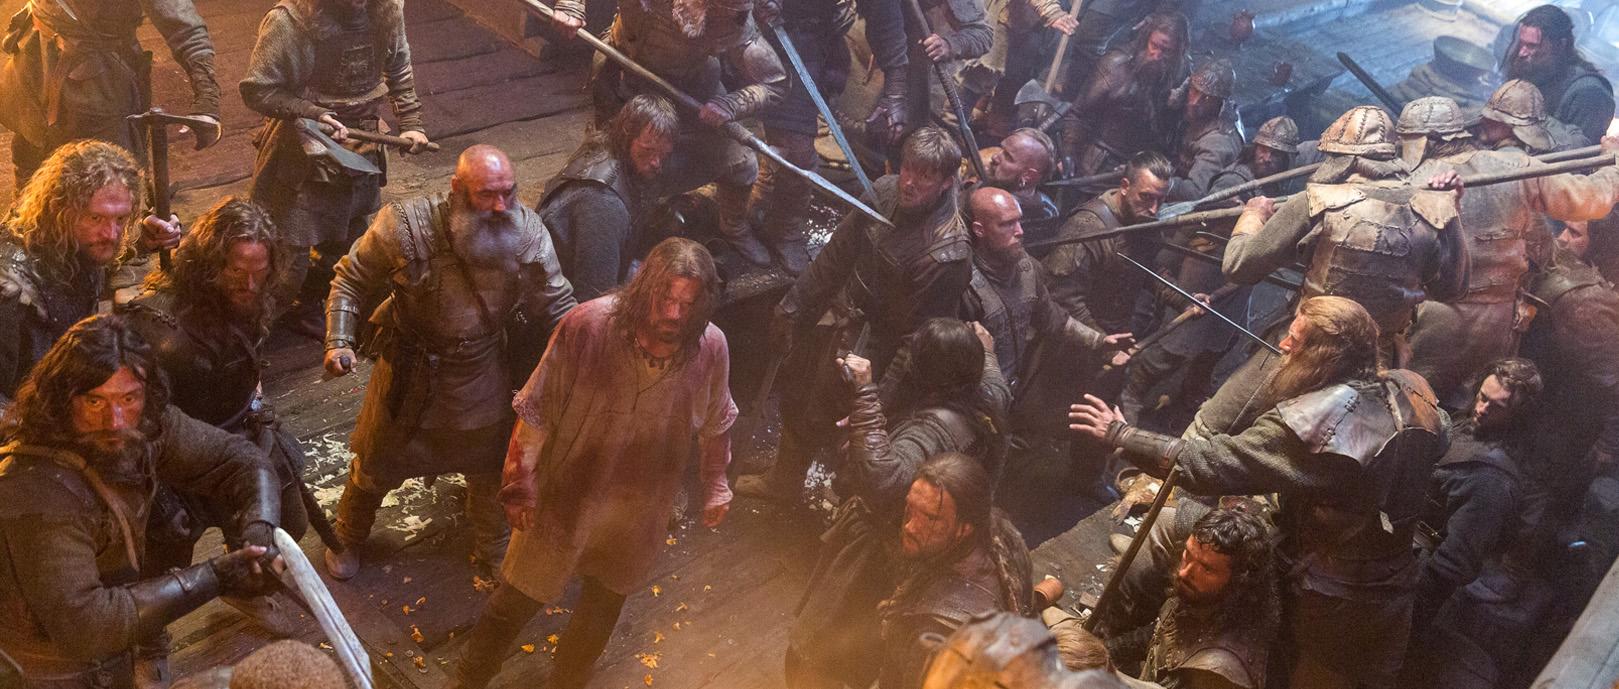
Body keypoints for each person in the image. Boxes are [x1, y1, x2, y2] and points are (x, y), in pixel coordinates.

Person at [1070, 296, 1448, 689]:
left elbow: (1211, 465)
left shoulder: (1322, 425)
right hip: (1379, 570)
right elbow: (1442, 436)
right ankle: (1110, 639)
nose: (1283, 345)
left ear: (1324, 357)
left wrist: (1121, 434)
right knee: (1170, 524)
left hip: (1332, 598)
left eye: (1295, 341)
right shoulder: (1411, 389)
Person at [448, 237, 736, 689]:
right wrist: (520, 481)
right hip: (566, 494)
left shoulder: (710, 348)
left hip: (640, 505)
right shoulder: (588, 327)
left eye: (687, 304)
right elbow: (536, 412)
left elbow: (717, 421)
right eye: (665, 299)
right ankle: (468, 679)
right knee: (515, 599)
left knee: (604, 603)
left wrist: (716, 481)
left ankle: (568, 681)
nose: (674, 314)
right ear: (644, 288)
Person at [320, 145, 576, 580]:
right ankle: (348, 533)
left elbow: (558, 303)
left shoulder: (528, 233)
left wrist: (588, 344)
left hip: (481, 371)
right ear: (457, 189)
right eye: (487, 194)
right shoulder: (404, 227)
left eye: (509, 193)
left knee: (488, 464)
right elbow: (350, 278)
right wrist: (338, 341)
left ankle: (492, 545)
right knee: (376, 461)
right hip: (409, 371)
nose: (501, 206)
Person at [0, 315, 283, 689]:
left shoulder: (145, 425)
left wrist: (258, 532)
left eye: (129, 398)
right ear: (62, 399)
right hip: (47, 665)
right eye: (94, 400)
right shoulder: (35, 489)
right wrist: (217, 576)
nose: (116, 420)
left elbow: (241, 461)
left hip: (109, 622)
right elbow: (85, 625)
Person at [118, 198, 309, 682]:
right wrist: (154, 487)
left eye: (259, 273)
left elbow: (248, 362)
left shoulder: (256, 297)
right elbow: (132, 416)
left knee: (282, 525)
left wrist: (257, 405)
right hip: (174, 454)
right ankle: (149, 640)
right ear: (210, 265)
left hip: (241, 432)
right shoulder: (156, 325)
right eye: (236, 273)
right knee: (163, 563)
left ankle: (243, 588)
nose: (249, 285)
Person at [737, 127, 971, 501]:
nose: (910, 183)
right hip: (842, 318)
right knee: (799, 394)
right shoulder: (884, 191)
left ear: (946, 183)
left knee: (842, 425)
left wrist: (877, 401)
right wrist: (793, 306)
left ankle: (843, 500)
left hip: (881, 349)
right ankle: (784, 479)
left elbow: (917, 342)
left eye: (925, 176)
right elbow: (836, 257)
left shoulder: (946, 254)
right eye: (908, 168)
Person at [1208, 105, 1467, 436]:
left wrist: (1252, 216)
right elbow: (1454, 289)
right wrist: (1450, 210)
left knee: (1211, 425)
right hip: (1379, 361)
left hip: (1308, 347)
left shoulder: (1317, 200)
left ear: (1342, 158)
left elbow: (1238, 266)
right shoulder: (1431, 207)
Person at [1399, 96, 1619, 407]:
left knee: (1411, 404)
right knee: (1477, 407)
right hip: (1498, 321)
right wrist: (1613, 162)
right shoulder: (1517, 168)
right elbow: (1592, 199)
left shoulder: (1409, 182)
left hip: (1433, 317)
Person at [241, 0, 432, 338]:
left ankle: (309, 306)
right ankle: (253, 325)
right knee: (290, 254)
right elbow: (257, 90)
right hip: (302, 150)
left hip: (360, 146)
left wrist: (412, 123)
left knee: (346, 238)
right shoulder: (288, 22)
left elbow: (399, 68)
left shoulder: (387, 9)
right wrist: (311, 112)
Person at [560, 0, 787, 266]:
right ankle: (623, 236)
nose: (732, 21)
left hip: (693, 88)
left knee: (743, 163)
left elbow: (776, 84)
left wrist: (733, 103)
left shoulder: (736, 21)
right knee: (625, 173)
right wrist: (570, 5)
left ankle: (734, 226)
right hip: (629, 80)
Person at [787, 451, 1033, 689]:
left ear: (964, 528)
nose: (910, 527)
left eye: (931, 518)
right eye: (910, 509)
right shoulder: (1001, 533)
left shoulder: (934, 633)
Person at [1475, 246, 1619, 603]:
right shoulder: (1544, 274)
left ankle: (1514, 571)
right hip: (1547, 398)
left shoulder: (1578, 303)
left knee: (1541, 489)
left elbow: (1614, 379)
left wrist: (1608, 445)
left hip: (1572, 417)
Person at [0, 140, 181, 405]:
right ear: (61, 210)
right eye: (96, 218)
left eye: (120, 219)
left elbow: (86, 267)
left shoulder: (69, 240)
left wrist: (143, 242)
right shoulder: (12, 291)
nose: (112, 234)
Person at [0, 0, 221, 186]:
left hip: (95, 84)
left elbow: (185, 29)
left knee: (107, 176)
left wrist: (207, 97)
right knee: (29, 155)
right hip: (33, 61)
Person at [959, 187, 1131, 409]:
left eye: (1019, 221)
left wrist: (1099, 341)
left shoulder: (1028, 268)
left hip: (1012, 389)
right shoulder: (962, 283)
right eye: (1006, 224)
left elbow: (1051, 317)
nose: (1020, 231)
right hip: (972, 398)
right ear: (979, 230)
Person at [1414, 358, 1542, 629]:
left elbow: (1452, 565)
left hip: (1414, 574)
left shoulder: (1493, 481)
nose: (1482, 409)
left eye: (1497, 407)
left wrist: (1406, 607)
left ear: (1517, 416)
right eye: (1483, 397)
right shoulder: (1467, 424)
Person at [539, 94, 679, 300]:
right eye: (647, 151)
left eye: (663, 154)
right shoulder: (604, 203)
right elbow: (595, 296)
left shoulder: (604, 148)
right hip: (558, 302)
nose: (656, 163)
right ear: (627, 137)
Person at [1133, 508, 1278, 689]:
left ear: (1239, 582)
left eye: (1206, 569)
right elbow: (1162, 633)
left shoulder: (1218, 671)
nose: (1184, 573)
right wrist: (1110, 648)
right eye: (1188, 554)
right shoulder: (1203, 597)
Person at [1042, 150, 1172, 336]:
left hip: (1113, 332)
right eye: (1146, 197)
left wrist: (1184, 299)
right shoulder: (1087, 227)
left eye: (1161, 200)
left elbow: (1148, 270)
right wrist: (1103, 342)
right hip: (1072, 338)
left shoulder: (1141, 221)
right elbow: (1063, 298)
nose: (1154, 209)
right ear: (1125, 186)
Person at [1058, 11, 1189, 178]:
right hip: (1098, 163)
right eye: (1154, 46)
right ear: (1146, 39)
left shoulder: (1182, 76)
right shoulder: (1116, 65)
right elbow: (1078, 114)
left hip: (1143, 169)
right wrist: (1069, 153)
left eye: (1166, 51)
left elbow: (1173, 135)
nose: (1157, 56)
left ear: (1179, 51)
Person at [859, 0, 992, 152]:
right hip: (868, 35)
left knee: (894, 136)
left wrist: (950, 44)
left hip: (909, 51)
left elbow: (983, 34)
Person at [1500, 4, 1615, 145]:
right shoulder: (1532, 72)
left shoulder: (1589, 94)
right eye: (1521, 44)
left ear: (1560, 45)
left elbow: (1580, 153)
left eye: (1532, 46)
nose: (1522, 53)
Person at [960, 0, 1077, 135]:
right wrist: (1050, 10)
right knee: (979, 76)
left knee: (1013, 83)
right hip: (1006, 14)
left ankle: (994, 129)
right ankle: (952, 130)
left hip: (1032, 24)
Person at [1165, 58, 1241, 202]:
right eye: (1194, 91)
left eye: (1207, 98)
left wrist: (1157, 180)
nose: (1194, 102)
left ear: (1219, 103)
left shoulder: (1218, 142)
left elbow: (1196, 192)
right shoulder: (1195, 113)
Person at [1472, 79, 1587, 154]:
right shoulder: (1477, 130)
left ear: (1514, 128)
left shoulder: (1516, 157)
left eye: (1496, 120)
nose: (1485, 120)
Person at [978, 128, 1062, 222]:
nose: (994, 157)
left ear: (1028, 176)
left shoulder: (1046, 213)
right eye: (1001, 149)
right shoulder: (982, 189)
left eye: (1007, 156)